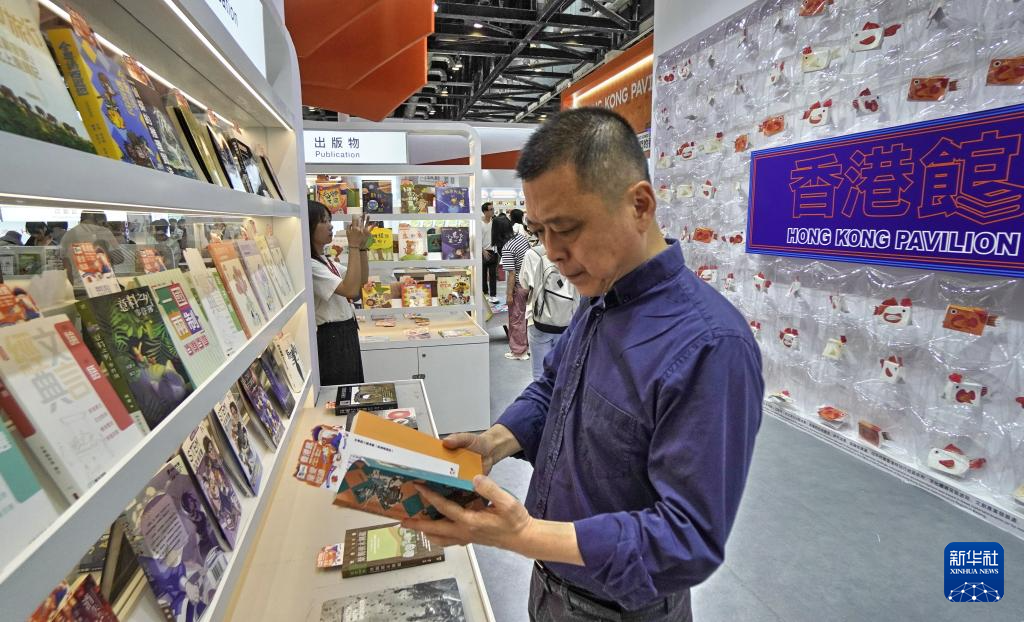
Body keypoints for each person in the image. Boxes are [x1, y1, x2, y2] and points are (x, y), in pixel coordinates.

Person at [403, 108, 764, 621]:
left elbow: (688, 539)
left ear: (640, 205)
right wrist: (495, 442)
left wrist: (525, 535)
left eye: (567, 228)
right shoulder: (600, 295)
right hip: (550, 587)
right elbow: (554, 386)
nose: (552, 252)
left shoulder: (710, 346)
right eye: (539, 230)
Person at [309, 200, 372, 386]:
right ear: (308, 226)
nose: (330, 226)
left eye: (329, 220)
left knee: (352, 387)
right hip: (331, 338)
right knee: (340, 391)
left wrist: (362, 246)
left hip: (346, 332)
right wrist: (353, 246)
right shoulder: (310, 265)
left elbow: (361, 280)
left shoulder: (325, 261)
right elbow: (350, 291)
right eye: (323, 221)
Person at [518, 219, 579, 381]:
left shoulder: (532, 254)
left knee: (540, 373)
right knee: (562, 372)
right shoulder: (572, 252)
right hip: (567, 319)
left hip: (538, 320)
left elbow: (525, 286)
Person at [500, 208, 531, 361]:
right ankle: (525, 347)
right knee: (525, 318)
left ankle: (519, 352)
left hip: (518, 286)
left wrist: (508, 294)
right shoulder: (521, 239)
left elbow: (511, 274)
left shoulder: (507, 247)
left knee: (516, 319)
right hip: (528, 284)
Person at [481, 202, 499, 303]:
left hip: (493, 251)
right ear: (485, 211)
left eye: (493, 209)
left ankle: (493, 295)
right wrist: (482, 250)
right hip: (482, 251)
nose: (493, 211)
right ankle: (485, 293)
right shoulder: (480, 223)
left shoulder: (495, 222)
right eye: (490, 209)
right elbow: (476, 238)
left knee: (493, 274)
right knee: (483, 274)